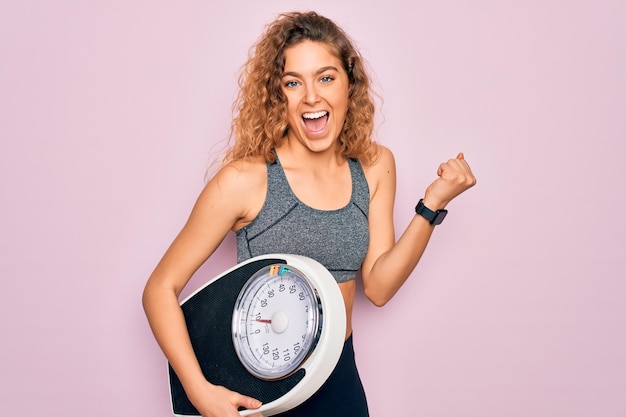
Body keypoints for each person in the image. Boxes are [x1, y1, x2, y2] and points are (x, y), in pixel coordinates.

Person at [142, 10, 476, 417]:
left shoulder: (374, 166)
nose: (311, 96)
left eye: (326, 77)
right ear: (277, 94)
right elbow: (159, 288)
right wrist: (199, 392)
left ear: (349, 85)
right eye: (293, 82)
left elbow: (379, 287)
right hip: (261, 392)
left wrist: (432, 204)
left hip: (340, 386)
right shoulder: (244, 181)